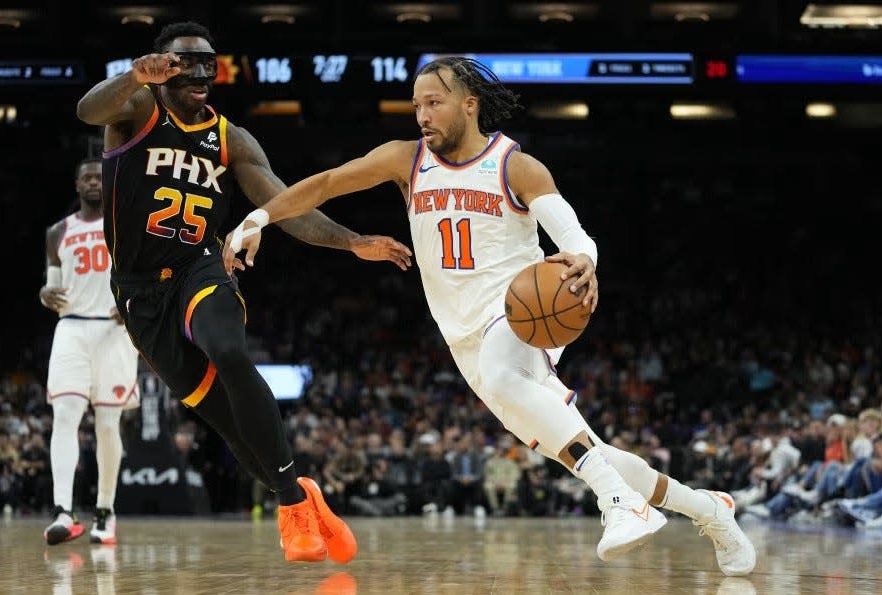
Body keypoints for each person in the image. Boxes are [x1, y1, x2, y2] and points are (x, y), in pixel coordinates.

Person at [224, 56, 756, 574]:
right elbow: (327, 182)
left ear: (470, 104)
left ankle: (619, 504)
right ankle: (709, 510)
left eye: (434, 102)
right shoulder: (404, 159)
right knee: (582, 448)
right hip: (463, 338)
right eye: (416, 105)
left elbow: (573, 236)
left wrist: (585, 261)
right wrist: (260, 216)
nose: (423, 115)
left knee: (513, 383)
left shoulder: (514, 165)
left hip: (523, 317)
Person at [76, 21, 412, 563]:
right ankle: (299, 497)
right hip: (139, 296)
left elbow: (288, 206)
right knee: (231, 426)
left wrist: (353, 243)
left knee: (230, 350)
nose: (201, 73)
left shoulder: (232, 139)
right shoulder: (136, 110)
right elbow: (87, 112)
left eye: (208, 63)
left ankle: (291, 508)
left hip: (199, 268)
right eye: (186, 63)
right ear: (162, 71)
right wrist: (135, 75)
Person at [39, 157, 140, 545]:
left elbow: (145, 272)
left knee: (107, 424)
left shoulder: (123, 223)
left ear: (108, 182)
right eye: (87, 177)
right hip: (72, 328)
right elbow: (53, 288)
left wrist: (133, 301)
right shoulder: (57, 232)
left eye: (100, 176)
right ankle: (62, 511)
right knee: (64, 414)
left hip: (115, 332)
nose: (94, 182)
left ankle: (105, 510)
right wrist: (45, 292)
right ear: (77, 185)